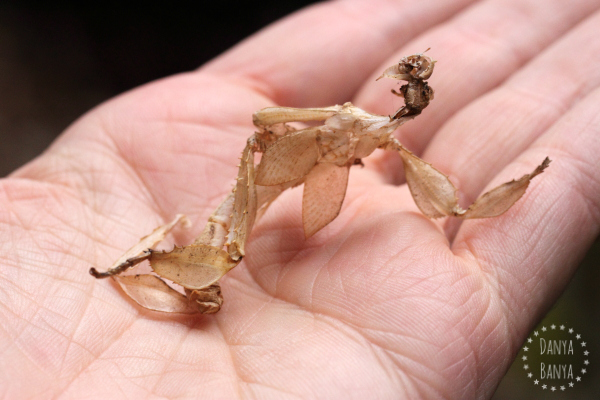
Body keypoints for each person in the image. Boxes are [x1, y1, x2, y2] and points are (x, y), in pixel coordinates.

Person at [1, 0, 599, 398]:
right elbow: (265, 129)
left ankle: (134, 265)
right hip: (288, 167)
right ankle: (133, 266)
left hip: (310, 148)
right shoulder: (229, 241)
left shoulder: (333, 137)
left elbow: (267, 125)